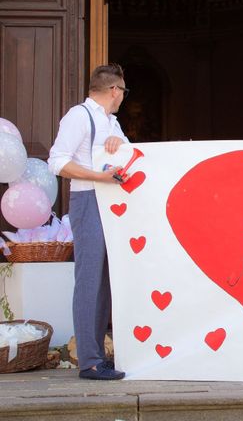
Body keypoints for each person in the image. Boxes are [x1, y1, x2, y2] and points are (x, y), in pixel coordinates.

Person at [48, 64, 130, 380]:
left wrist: (118, 144)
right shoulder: (78, 116)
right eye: (123, 91)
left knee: (106, 281)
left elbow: (128, 155)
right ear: (114, 90)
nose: (122, 96)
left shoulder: (112, 122)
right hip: (87, 200)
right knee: (89, 280)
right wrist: (99, 176)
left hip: (111, 204)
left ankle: (98, 357)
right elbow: (57, 161)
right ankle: (89, 361)